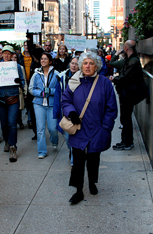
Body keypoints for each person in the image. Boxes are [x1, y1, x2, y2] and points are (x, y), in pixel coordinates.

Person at [61, 52, 118, 205]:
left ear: (96, 66)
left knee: (93, 159)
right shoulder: (74, 81)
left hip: (97, 129)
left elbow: (111, 107)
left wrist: (106, 127)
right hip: (79, 128)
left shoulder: (105, 83)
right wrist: (71, 112)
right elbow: (65, 100)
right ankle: (78, 190)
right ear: (81, 65)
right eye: (85, 63)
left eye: (91, 63)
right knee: (78, 161)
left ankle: (92, 182)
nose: (87, 66)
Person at [109, 40, 143, 150]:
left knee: (126, 119)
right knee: (125, 118)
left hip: (129, 94)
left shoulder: (133, 61)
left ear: (126, 48)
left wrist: (115, 78)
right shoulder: (130, 60)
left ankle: (127, 143)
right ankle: (125, 141)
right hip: (126, 93)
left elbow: (126, 77)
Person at [0, 45, 25, 162]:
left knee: (12, 123)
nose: (6, 55)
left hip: (13, 98)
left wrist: (18, 82)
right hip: (1, 98)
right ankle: (6, 140)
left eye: (9, 53)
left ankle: (13, 147)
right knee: (4, 123)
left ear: (12, 55)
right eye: (4, 53)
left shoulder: (16, 67)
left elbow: (22, 81)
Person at [29, 53, 59, 159]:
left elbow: (60, 90)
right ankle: (42, 151)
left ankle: (54, 140)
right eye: (41, 59)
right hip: (38, 104)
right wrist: (41, 93)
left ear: (50, 61)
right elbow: (31, 89)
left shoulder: (56, 74)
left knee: (53, 128)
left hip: (51, 104)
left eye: (45, 59)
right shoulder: (36, 73)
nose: (43, 60)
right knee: (40, 129)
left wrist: (50, 91)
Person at [54, 56, 80, 166]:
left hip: (79, 111)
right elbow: (57, 95)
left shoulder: (83, 77)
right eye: (72, 63)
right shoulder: (61, 77)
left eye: (76, 64)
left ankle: (75, 159)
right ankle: (72, 150)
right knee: (68, 136)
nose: (74, 65)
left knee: (77, 135)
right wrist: (56, 113)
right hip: (65, 111)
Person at [19, 41, 37, 139]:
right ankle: (30, 121)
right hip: (24, 82)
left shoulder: (34, 57)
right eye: (25, 45)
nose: (27, 47)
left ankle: (32, 122)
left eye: (28, 46)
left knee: (32, 105)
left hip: (33, 83)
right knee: (28, 104)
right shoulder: (20, 57)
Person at [12, 52, 27, 129]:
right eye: (12, 57)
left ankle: (20, 121)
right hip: (10, 91)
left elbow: (23, 78)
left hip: (18, 90)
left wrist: (25, 90)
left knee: (19, 108)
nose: (14, 59)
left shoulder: (20, 67)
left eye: (15, 57)